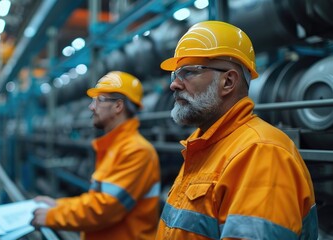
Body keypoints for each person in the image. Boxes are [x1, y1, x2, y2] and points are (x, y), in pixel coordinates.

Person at [155, 20, 318, 239]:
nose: (174, 85)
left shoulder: (262, 153)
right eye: (175, 75)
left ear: (228, 81)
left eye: (188, 72)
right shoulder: (203, 148)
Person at [31, 71, 161, 239]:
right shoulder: (115, 147)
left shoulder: (137, 151)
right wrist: (58, 205)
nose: (91, 107)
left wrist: (52, 216)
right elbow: (97, 199)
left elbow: (104, 210)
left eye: (99, 100)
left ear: (118, 106)